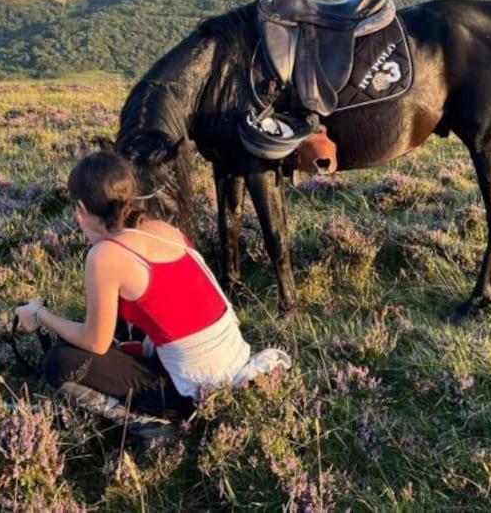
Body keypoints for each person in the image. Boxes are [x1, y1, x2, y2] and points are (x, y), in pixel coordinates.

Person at [15, 150, 288, 420]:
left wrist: (40, 316)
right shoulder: (165, 230)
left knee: (60, 361)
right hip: (232, 363)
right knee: (101, 339)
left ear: (83, 210)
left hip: (195, 393)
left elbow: (96, 342)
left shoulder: (104, 256)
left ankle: (146, 422)